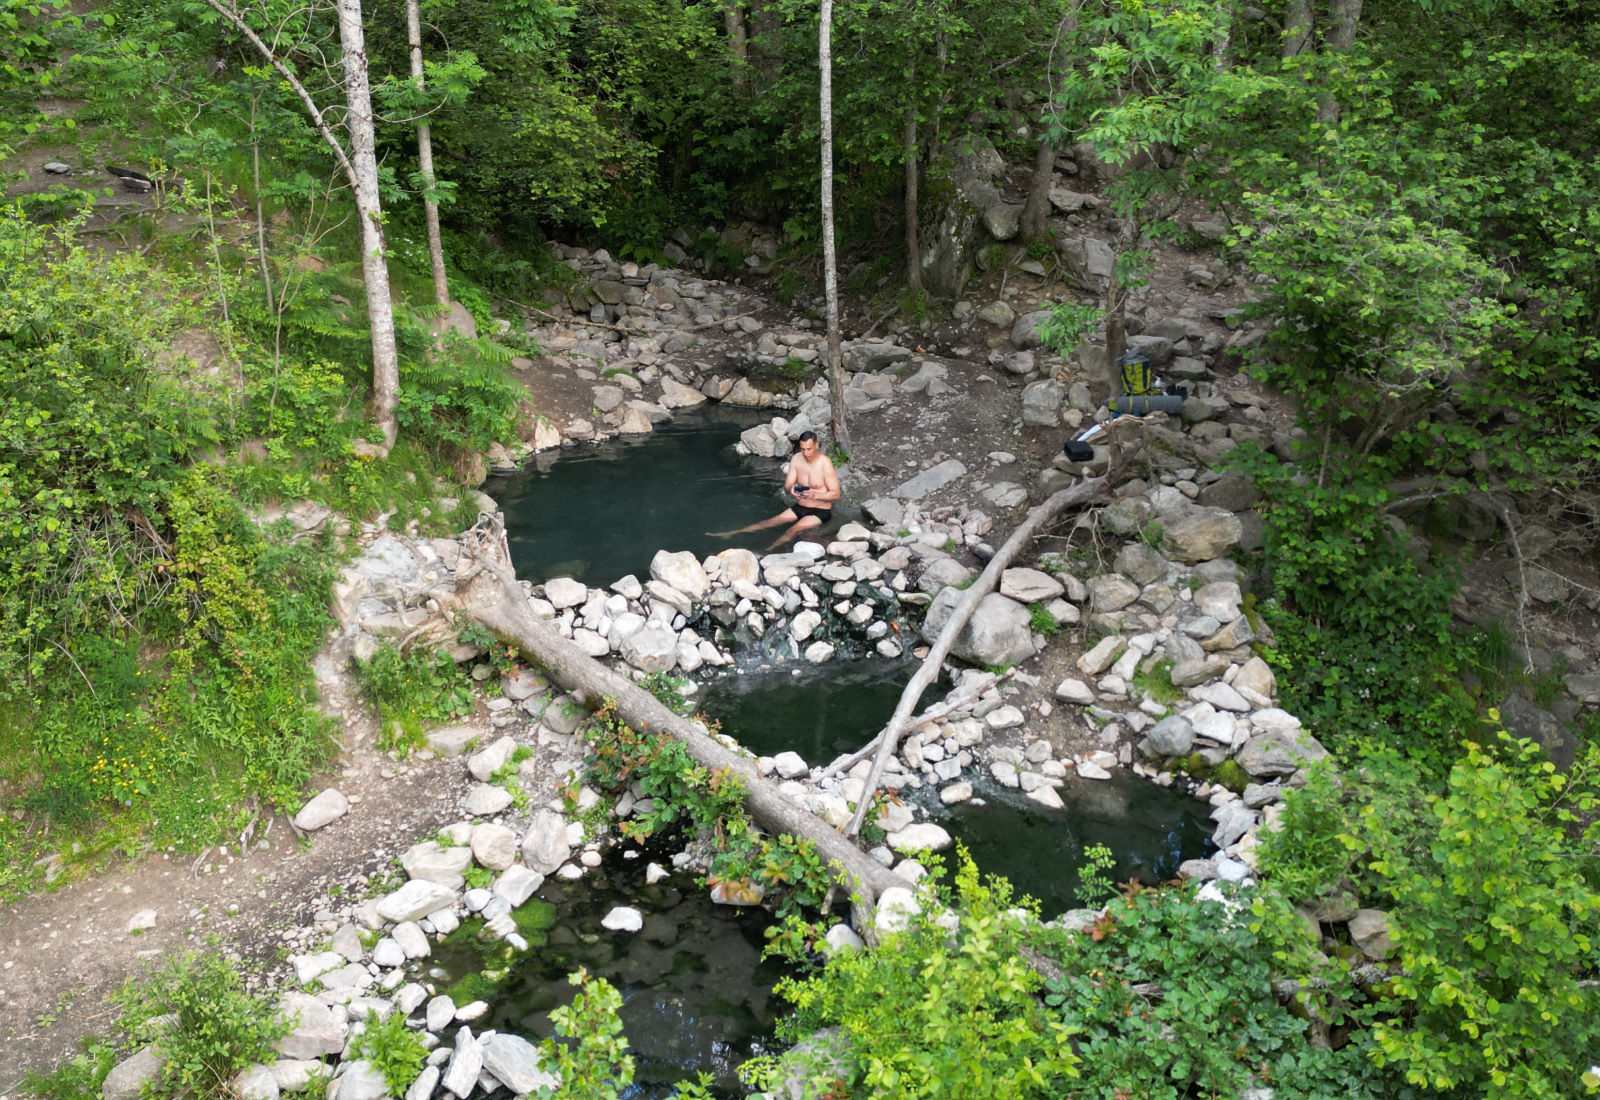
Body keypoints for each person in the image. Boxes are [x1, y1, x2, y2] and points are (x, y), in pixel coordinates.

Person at [711, 430, 840, 548]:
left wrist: (814, 495)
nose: (806, 453)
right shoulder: (797, 459)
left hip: (820, 511)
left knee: (793, 530)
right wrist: (792, 490)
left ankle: (770, 550)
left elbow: (835, 494)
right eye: (802, 449)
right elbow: (788, 485)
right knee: (769, 522)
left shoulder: (825, 463)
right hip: (800, 507)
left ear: (816, 446)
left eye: (809, 449)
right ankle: (731, 533)